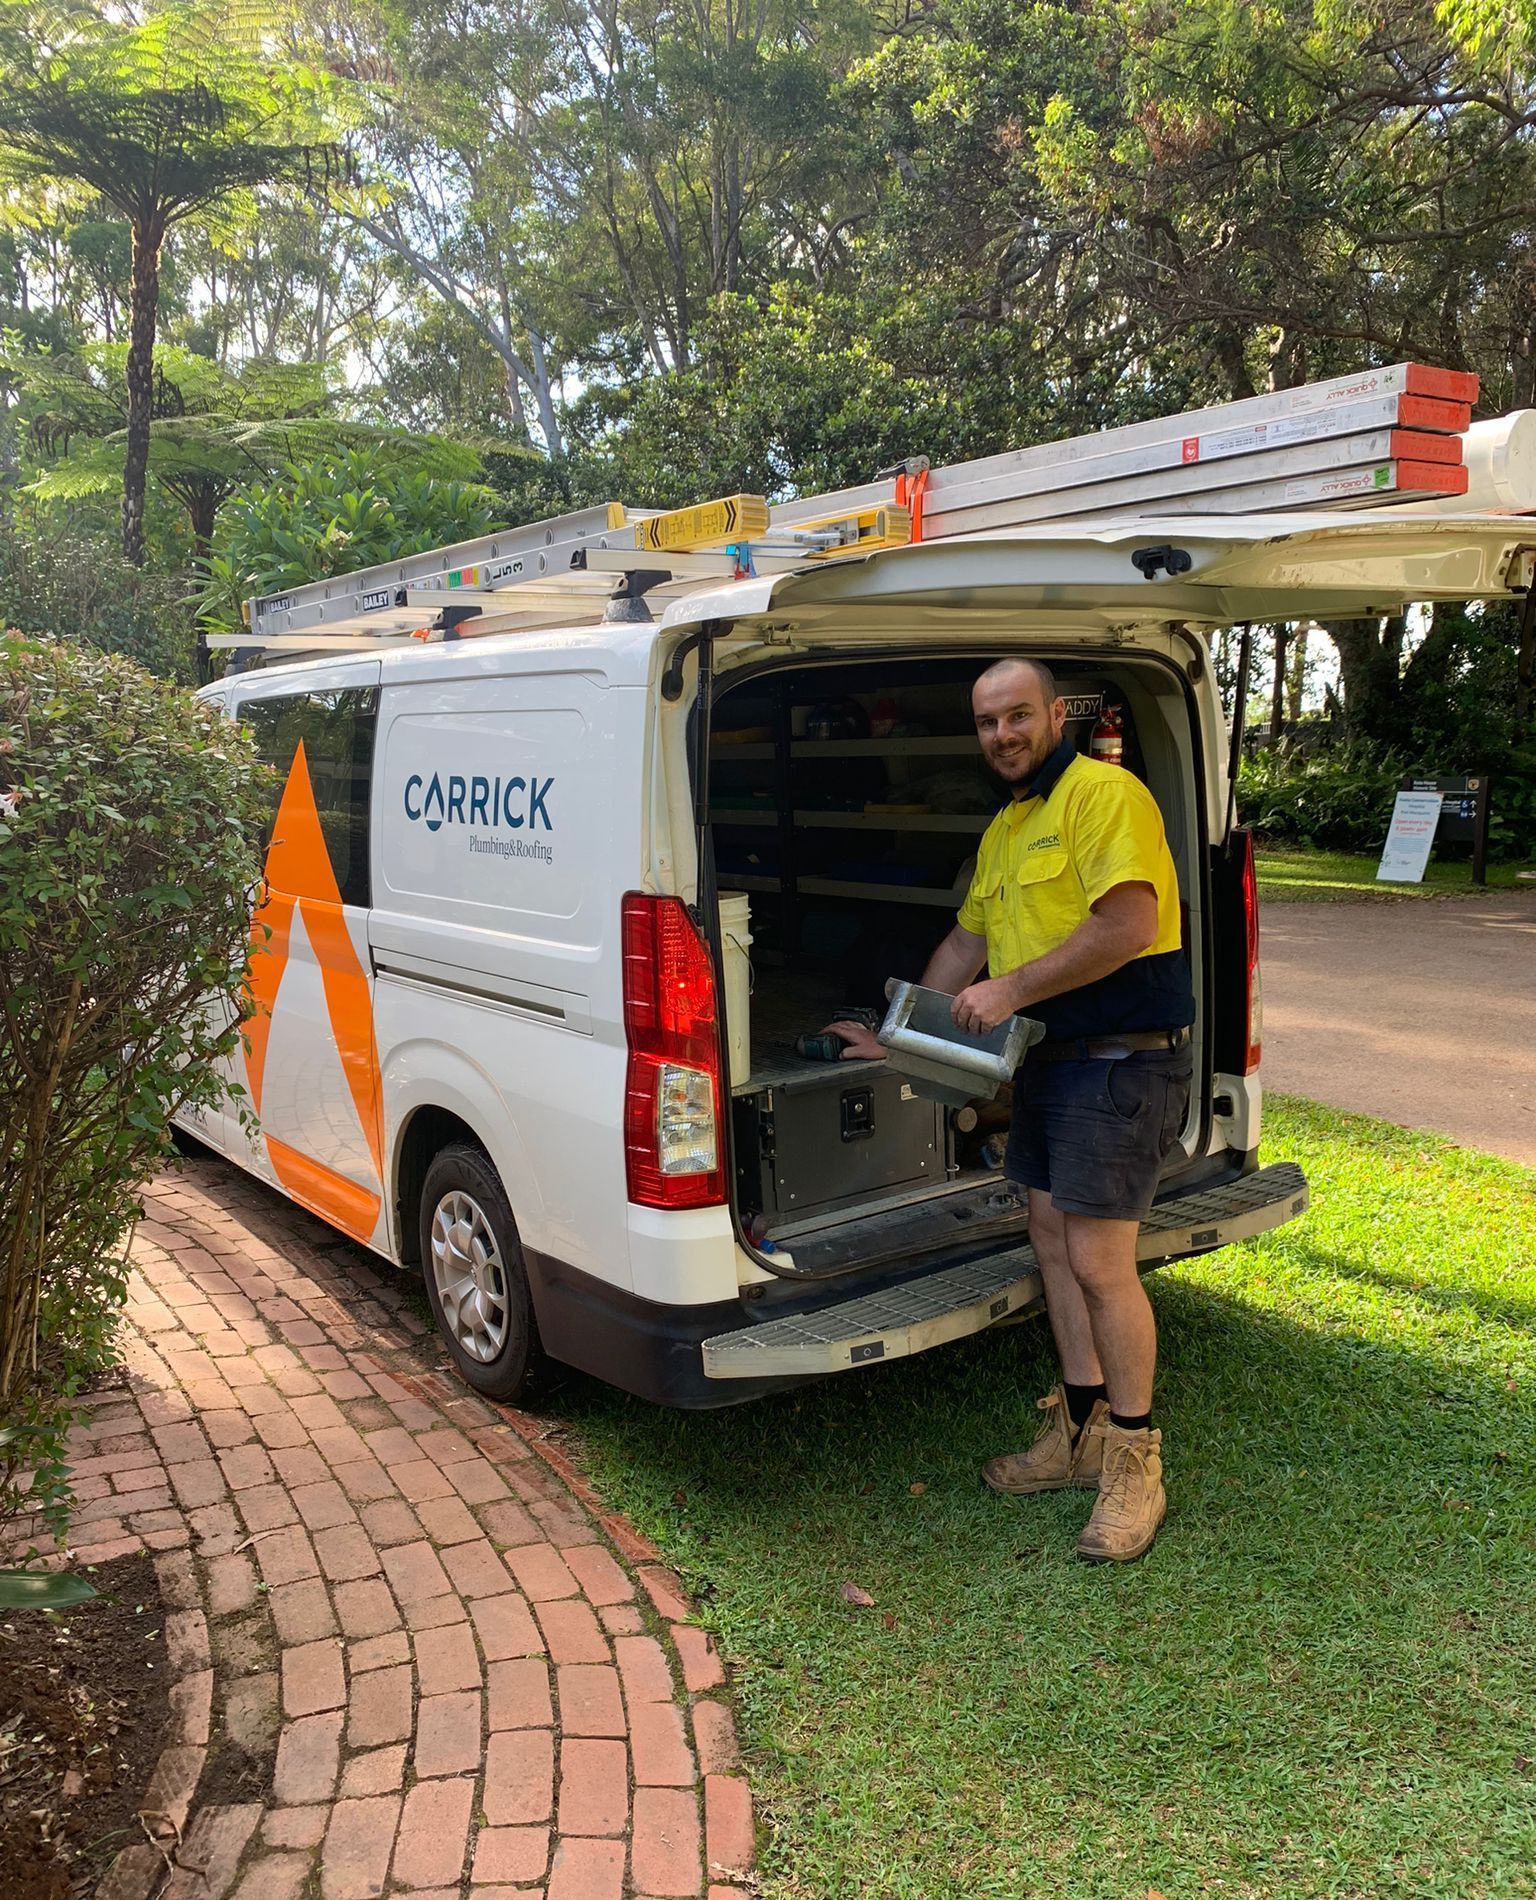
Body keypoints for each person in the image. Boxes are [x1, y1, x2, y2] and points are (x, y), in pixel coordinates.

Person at [826, 658, 1194, 1563]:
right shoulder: (1008, 827)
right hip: (1049, 1068)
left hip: (1118, 1064)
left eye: (1017, 716)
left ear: (1054, 715)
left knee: (1101, 1261)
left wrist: (1011, 989)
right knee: (1048, 1236)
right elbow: (966, 940)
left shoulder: (1104, 798)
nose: (1003, 735)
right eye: (988, 723)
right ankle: (1076, 1429)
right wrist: (896, 1034)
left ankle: (1134, 1461)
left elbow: (1129, 925)